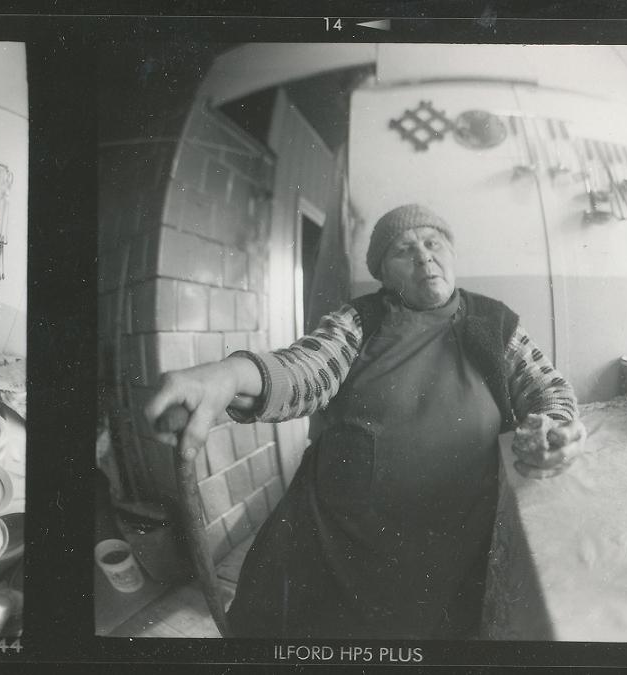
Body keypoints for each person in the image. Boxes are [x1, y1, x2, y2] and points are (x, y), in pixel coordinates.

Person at [142, 204, 581, 639]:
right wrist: (231, 375)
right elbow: (309, 370)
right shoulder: (360, 320)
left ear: (451, 253)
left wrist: (556, 428)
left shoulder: (496, 323)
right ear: (383, 275)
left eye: (433, 243)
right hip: (331, 540)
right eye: (403, 251)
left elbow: (548, 390)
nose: (423, 256)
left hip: (445, 549)